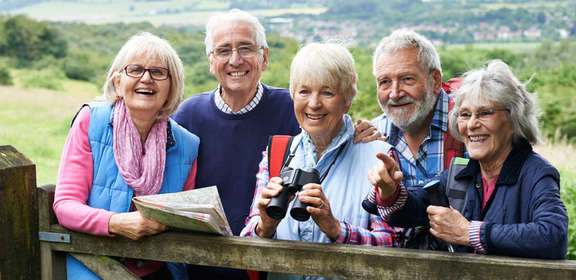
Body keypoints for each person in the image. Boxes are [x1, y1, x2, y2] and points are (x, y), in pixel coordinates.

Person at [366, 60, 568, 259]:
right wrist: (390, 191)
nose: (471, 124)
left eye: (485, 113)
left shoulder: (535, 172)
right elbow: (416, 209)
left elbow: (552, 237)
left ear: (514, 119)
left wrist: (469, 233)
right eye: (464, 114)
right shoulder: (461, 173)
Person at [241, 43, 401, 280]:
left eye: (327, 92)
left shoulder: (378, 157)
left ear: (347, 100)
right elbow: (247, 243)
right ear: (293, 95)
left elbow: (394, 247)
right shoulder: (277, 153)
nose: (314, 104)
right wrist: (265, 226)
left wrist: (335, 228)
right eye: (304, 91)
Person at [53, 32, 199, 279]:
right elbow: (65, 206)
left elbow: (187, 218)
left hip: (159, 269)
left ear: (171, 87)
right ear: (118, 81)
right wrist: (116, 222)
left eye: (158, 72)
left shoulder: (187, 144)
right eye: (135, 69)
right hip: (93, 263)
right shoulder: (91, 121)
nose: (146, 78)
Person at [364, 29, 465, 249]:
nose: (395, 93)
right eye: (385, 82)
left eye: (407, 79)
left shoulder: (468, 127)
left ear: (435, 80)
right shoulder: (372, 137)